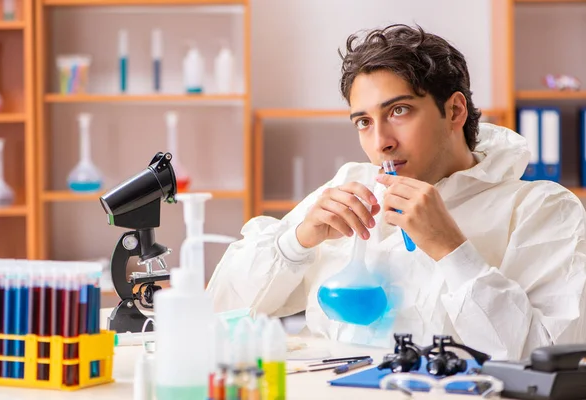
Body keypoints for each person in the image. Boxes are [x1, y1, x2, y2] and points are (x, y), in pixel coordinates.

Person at [207, 24, 586, 360]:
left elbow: (547, 358)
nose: (380, 143)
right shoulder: (348, 186)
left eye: (399, 111)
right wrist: (297, 242)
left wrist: (452, 250)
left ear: (455, 111)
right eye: (364, 122)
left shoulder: (541, 209)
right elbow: (220, 310)